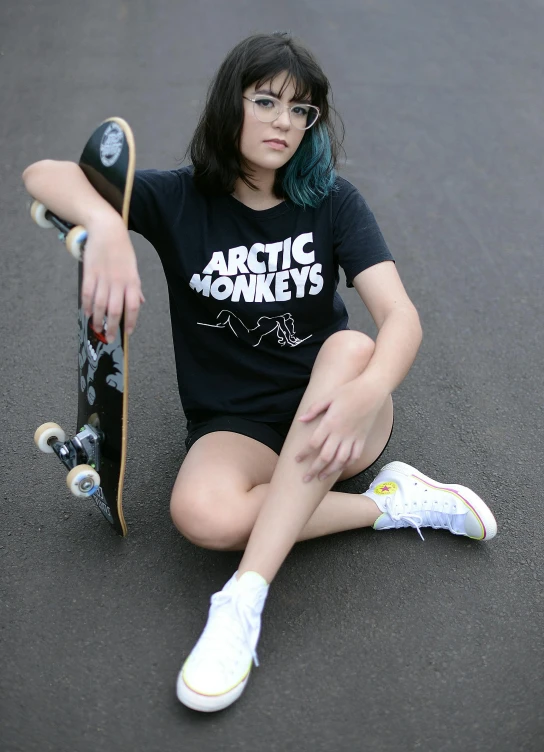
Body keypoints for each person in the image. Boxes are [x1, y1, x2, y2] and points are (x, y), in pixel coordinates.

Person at [22, 32, 497, 713]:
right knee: (199, 514)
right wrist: (104, 225)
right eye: (266, 100)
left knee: (350, 348)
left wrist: (367, 392)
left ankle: (242, 602)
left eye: (301, 110)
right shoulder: (180, 200)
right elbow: (43, 172)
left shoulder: (332, 202)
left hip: (341, 411)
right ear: (229, 105)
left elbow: (402, 318)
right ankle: (393, 505)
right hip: (236, 424)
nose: (283, 121)